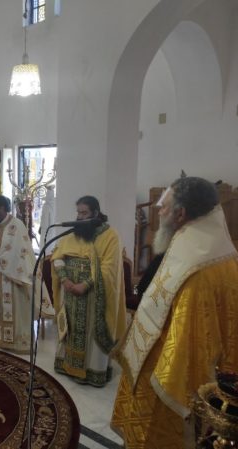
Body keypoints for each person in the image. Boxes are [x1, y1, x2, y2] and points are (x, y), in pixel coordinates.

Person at [111, 177, 238, 448]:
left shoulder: (196, 266)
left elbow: (185, 343)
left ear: (180, 214)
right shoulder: (208, 248)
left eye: (164, 206)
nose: (158, 211)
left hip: (165, 372)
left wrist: (166, 382)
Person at [50, 196, 126, 386]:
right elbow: (57, 256)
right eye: (78, 212)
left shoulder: (110, 236)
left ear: (95, 213)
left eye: (84, 213)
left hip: (94, 296)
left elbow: (109, 268)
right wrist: (65, 279)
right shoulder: (73, 233)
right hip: (70, 292)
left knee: (92, 333)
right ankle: (67, 365)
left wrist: (85, 284)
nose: (79, 217)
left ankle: (93, 372)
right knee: (71, 329)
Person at [0, 195, 51, 354]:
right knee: (1, 309)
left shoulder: (17, 225)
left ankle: (21, 344)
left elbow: (19, 253)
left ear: (2, 208)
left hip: (15, 278)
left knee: (18, 311)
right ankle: (3, 340)